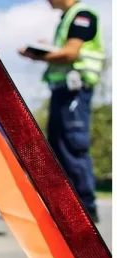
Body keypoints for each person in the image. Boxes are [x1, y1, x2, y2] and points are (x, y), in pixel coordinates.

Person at [18, 0, 105, 222]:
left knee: (73, 145)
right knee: (59, 145)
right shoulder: (67, 18)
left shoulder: (81, 15)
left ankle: (85, 208)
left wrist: (38, 55)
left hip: (74, 92)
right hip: (63, 91)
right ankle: (68, 207)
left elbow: (71, 53)